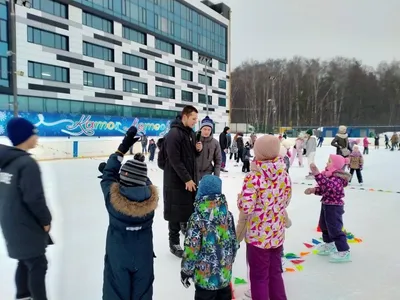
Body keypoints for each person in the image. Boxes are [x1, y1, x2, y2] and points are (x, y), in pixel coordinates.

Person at [100, 127, 158, 299]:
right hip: (143, 254)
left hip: (118, 253)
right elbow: (145, 182)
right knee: (143, 292)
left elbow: (108, 175)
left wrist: (121, 149)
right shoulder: (151, 199)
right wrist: (139, 167)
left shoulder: (112, 197)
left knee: (115, 291)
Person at [0, 118, 52, 300]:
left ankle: (22, 296)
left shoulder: (7, 162)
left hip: (11, 224)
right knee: (38, 264)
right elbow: (34, 198)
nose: (36, 137)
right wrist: (46, 221)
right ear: (25, 136)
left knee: (24, 261)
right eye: (33, 133)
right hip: (26, 226)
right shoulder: (26, 163)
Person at [238, 135, 292, 300]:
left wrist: (240, 198)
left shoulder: (253, 177)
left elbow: (246, 207)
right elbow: (287, 199)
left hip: (258, 237)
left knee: (259, 276)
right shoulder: (284, 173)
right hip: (276, 233)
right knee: (275, 273)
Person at [181, 175, 238, 300]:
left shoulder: (197, 218)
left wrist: (186, 270)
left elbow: (192, 248)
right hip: (224, 276)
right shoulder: (227, 215)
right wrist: (228, 262)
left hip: (205, 279)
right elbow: (234, 242)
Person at [163, 106, 202, 258]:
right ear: (184, 116)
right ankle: (173, 242)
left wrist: (197, 150)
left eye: (196, 119)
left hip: (188, 180)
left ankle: (186, 234)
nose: (195, 122)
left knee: (187, 208)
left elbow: (191, 158)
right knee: (174, 211)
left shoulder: (190, 133)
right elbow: (174, 160)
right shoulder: (174, 134)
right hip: (175, 180)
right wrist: (187, 178)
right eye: (193, 119)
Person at [304, 155, 351, 263]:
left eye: (329, 161)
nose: (326, 163)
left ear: (336, 165)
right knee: (324, 225)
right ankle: (329, 244)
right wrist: (313, 190)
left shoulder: (337, 178)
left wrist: (317, 174)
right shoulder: (330, 176)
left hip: (334, 207)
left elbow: (329, 186)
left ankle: (344, 250)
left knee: (335, 228)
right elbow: (325, 190)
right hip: (326, 204)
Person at [196, 116, 222, 180]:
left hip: (207, 174)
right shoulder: (194, 139)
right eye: (205, 129)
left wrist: (216, 177)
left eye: (209, 129)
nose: (206, 132)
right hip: (193, 173)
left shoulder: (215, 143)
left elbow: (218, 161)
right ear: (201, 129)